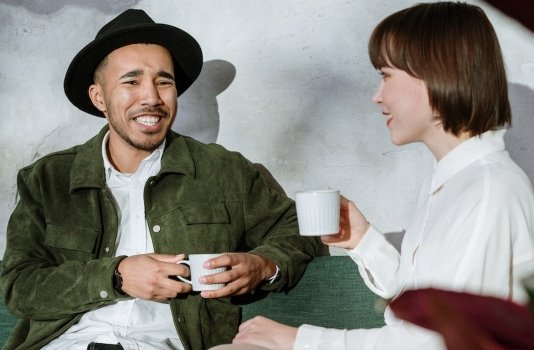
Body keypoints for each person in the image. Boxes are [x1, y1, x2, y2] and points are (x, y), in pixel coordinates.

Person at [220, 2, 534, 350]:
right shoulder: (454, 181)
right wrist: (362, 239)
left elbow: (432, 341)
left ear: (436, 73)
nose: (377, 96)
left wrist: (297, 339)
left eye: (385, 75)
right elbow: (422, 302)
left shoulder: (488, 190)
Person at [0, 9, 324, 350]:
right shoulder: (48, 179)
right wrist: (117, 276)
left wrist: (263, 265)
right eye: (131, 81)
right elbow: (19, 286)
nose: (152, 98)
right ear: (99, 98)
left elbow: (299, 229)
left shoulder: (224, 171)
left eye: (164, 81)